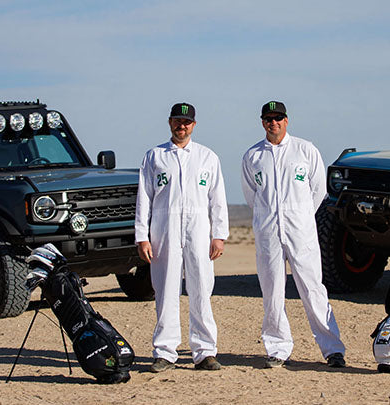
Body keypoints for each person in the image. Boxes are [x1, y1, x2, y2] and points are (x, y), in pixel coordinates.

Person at [241, 101, 346, 369]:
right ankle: (278, 348)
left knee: (313, 289)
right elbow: (252, 195)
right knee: (272, 291)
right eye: (268, 118)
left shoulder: (305, 150)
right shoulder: (253, 156)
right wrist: (269, 217)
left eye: (278, 118)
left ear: (286, 120)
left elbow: (318, 190)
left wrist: (300, 216)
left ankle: (332, 349)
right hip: (269, 234)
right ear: (262, 122)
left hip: (301, 233)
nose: (273, 122)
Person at [135, 102, 229, 372]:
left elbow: (217, 199)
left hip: (198, 229)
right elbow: (144, 198)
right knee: (166, 289)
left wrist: (219, 235)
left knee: (201, 287)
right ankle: (165, 352)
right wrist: (142, 236)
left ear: (194, 125)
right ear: (169, 122)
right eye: (177, 121)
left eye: (186, 122)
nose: (181, 126)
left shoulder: (207, 157)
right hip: (164, 228)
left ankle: (205, 351)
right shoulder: (154, 157)